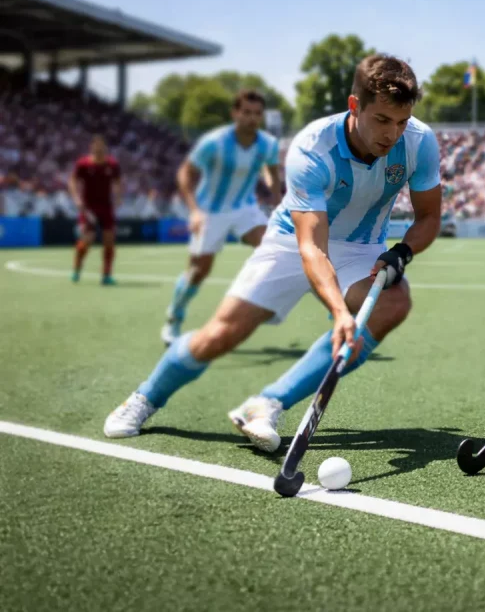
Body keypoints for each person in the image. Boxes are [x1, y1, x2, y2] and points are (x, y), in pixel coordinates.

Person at [103, 55, 443, 452]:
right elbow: (312, 245)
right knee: (221, 334)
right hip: (293, 238)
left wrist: (402, 251)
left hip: (360, 246)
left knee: (392, 303)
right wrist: (338, 312)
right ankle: (144, 397)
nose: (392, 134)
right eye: (382, 120)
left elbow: (429, 216)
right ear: (355, 106)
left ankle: (267, 403)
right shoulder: (313, 148)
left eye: (401, 122)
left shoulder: (419, 143)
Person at [161, 89, 283, 345]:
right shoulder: (214, 142)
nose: (251, 118)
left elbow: (271, 173)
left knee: (271, 248)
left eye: (257, 114)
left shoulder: (267, 144)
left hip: (244, 207)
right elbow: (185, 174)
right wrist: (194, 210)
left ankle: (265, 302)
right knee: (198, 271)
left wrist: (276, 198)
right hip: (210, 211)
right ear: (235, 113)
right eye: (246, 112)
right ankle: (174, 316)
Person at [69, 135, 121, 285]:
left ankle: (106, 275)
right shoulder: (83, 164)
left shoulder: (113, 165)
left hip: (106, 207)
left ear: (105, 148)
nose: (99, 150)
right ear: (91, 148)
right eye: (96, 147)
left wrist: (117, 197)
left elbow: (117, 182)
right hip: (89, 208)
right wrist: (76, 199)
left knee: (109, 240)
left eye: (101, 147)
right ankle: (77, 268)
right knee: (87, 240)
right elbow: (72, 181)